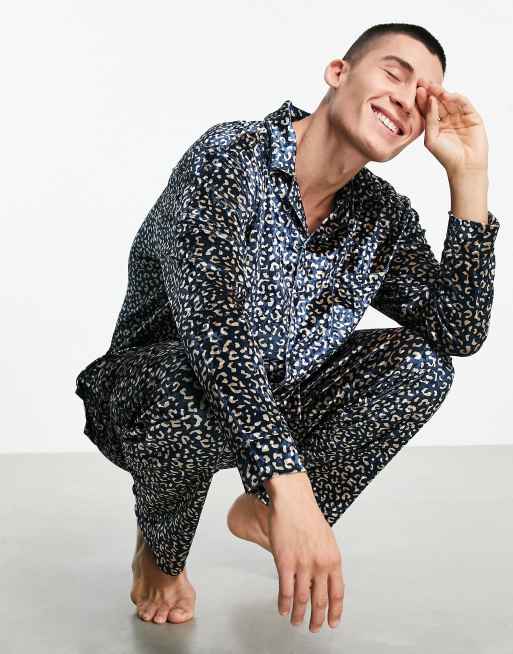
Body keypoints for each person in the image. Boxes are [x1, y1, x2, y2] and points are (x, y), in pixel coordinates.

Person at [75, 22, 500, 633]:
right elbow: (215, 336)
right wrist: (291, 483)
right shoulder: (231, 157)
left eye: (424, 96)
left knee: (424, 367)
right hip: (151, 399)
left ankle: (260, 509)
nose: (407, 100)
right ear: (338, 73)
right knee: (192, 386)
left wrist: (469, 178)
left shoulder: (379, 216)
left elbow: (457, 330)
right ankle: (161, 554)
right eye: (394, 73)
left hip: (274, 402)